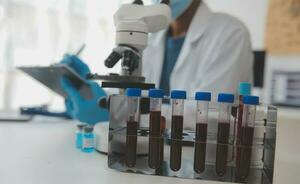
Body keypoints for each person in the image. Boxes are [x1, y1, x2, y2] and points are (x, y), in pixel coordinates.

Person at [61, 0, 253, 125]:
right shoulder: (149, 36)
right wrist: (92, 94)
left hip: (195, 159)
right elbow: (131, 100)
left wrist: (115, 117)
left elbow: (205, 116)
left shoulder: (229, 33)